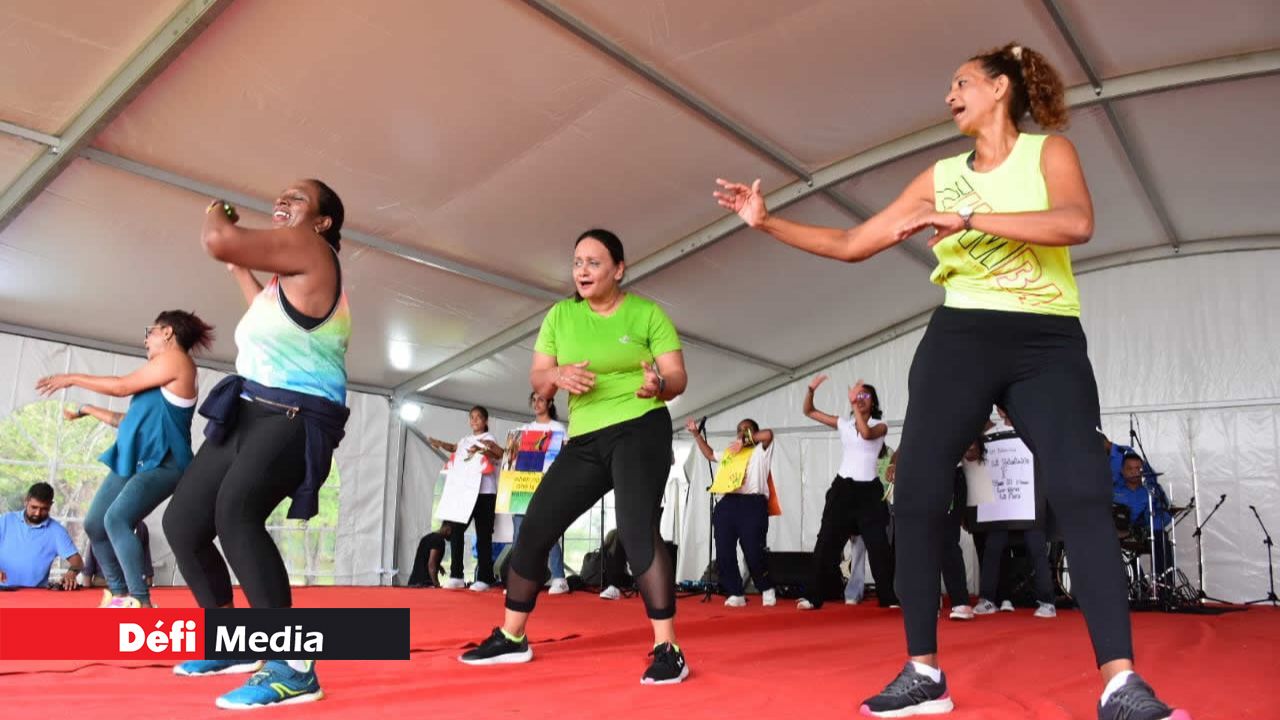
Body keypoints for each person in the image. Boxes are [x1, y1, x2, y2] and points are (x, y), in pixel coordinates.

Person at [714, 43, 1187, 719]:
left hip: (1045, 339)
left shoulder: (1047, 154)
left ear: (1000, 89)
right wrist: (766, 222)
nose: (948, 96)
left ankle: (1121, 683)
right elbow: (853, 243)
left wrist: (965, 220)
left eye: (961, 83)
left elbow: (1075, 223)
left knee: (1081, 490)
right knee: (916, 487)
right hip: (961, 334)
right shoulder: (939, 175)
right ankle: (922, 671)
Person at [458, 228, 690, 684]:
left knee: (636, 529)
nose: (582, 270)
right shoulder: (560, 316)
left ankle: (668, 648)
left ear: (618, 269)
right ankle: (512, 636)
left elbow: (677, 375)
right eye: (577, 262)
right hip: (585, 439)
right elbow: (540, 379)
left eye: (594, 262)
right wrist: (558, 374)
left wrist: (658, 386)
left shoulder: (646, 313)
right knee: (537, 522)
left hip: (640, 428)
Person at [163, 180, 351, 709]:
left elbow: (218, 239)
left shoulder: (312, 250)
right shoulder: (285, 280)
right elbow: (266, 311)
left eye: (298, 198)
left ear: (322, 223)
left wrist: (215, 212)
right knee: (184, 522)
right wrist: (240, 270)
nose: (283, 199)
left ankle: (292, 666)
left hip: (293, 415)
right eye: (282, 194)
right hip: (248, 408)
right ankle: (231, 641)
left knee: (236, 514)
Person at [37, 310, 211, 608]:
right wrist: (87, 410)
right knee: (94, 524)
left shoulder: (176, 360)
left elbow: (120, 386)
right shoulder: (157, 382)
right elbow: (125, 420)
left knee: (117, 519)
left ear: (167, 332)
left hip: (166, 462)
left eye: (151, 332)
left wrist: (71, 377)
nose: (146, 339)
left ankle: (141, 602)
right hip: (137, 460)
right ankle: (119, 596)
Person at [795, 374, 896, 610]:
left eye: (864, 396)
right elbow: (809, 411)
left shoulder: (879, 425)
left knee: (879, 547)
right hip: (843, 489)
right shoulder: (844, 423)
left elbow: (866, 434)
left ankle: (889, 597)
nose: (859, 399)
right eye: (856, 395)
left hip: (870, 492)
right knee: (826, 543)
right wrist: (811, 389)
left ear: (873, 402)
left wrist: (853, 406)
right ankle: (813, 596)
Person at [686, 416, 777, 608]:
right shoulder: (730, 453)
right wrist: (696, 434)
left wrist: (745, 440)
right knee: (724, 551)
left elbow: (768, 434)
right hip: (728, 503)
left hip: (752, 503)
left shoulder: (760, 451)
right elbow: (710, 455)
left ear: (754, 432)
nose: (742, 432)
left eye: (747, 429)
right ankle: (735, 592)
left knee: (753, 550)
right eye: (739, 429)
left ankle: (766, 587)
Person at [428, 406, 503, 592]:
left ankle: (484, 578)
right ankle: (456, 575)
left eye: (478, 417)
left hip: (485, 493)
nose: (474, 420)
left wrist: (484, 449)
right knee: (456, 530)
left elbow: (499, 453)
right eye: (472, 417)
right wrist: (440, 443)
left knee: (483, 535)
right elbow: (454, 448)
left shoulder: (489, 439)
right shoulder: (465, 440)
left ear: (486, 421)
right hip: (464, 493)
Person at [510, 392, 570, 595]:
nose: (537, 403)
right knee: (519, 533)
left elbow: (564, 456)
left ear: (550, 402)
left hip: (548, 485)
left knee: (547, 532)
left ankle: (559, 578)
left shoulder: (557, 429)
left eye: (541, 400)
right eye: (534, 400)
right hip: (523, 486)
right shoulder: (524, 429)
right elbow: (512, 456)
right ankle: (519, 580)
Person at [0, 483, 82, 589]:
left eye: (44, 509)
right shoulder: (5, 521)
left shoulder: (57, 532)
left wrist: (71, 573)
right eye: (34, 507)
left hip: (36, 595)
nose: (38, 513)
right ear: (26, 501)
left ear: (51, 505)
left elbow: (78, 562)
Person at [1114, 453, 1173, 581]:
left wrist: (1150, 525)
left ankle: (1163, 586)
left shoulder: (1151, 491)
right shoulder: (1114, 492)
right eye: (1130, 469)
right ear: (1122, 471)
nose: (1135, 472)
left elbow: (1166, 514)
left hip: (1145, 533)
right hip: (1121, 535)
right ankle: (1138, 585)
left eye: (1138, 469)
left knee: (1162, 539)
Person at [81, 521, 153, 592]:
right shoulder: (99, 527)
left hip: (133, 587)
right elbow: (87, 571)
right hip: (103, 587)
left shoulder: (141, 527)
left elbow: (147, 568)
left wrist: (149, 592)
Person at [407, 523, 452, 588]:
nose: (452, 536)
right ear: (447, 528)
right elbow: (431, 564)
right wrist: (436, 583)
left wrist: (439, 566)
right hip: (425, 584)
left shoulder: (427, 537)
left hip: (413, 581)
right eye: (452, 532)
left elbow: (425, 557)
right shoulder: (439, 540)